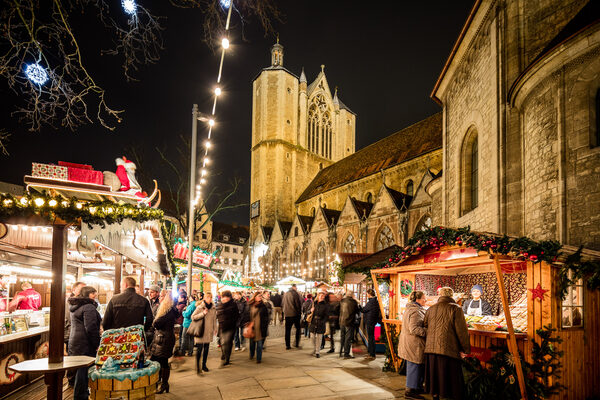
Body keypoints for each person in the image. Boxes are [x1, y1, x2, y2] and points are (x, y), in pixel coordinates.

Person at [424, 287, 471, 400]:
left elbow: (425, 325)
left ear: (440, 295)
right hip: (448, 348)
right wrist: (466, 349)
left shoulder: (431, 309)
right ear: (451, 295)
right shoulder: (456, 309)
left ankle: (435, 395)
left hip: (430, 348)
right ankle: (448, 395)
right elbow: (461, 331)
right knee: (449, 376)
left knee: (434, 373)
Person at [68, 286, 101, 400]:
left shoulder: (75, 306)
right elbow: (91, 327)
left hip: (75, 341)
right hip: (85, 342)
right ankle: (81, 396)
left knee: (80, 370)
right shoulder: (88, 307)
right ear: (87, 294)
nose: (95, 296)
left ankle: (80, 395)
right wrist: (97, 343)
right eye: (93, 293)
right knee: (83, 370)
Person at [398, 290, 427, 399]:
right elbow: (414, 329)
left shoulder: (411, 309)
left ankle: (417, 387)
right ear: (418, 299)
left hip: (411, 342)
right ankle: (410, 391)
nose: (426, 300)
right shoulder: (416, 311)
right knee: (414, 366)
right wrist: (428, 332)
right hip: (414, 343)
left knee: (417, 365)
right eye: (424, 298)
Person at [149, 294, 179, 394]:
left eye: (162, 296)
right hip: (163, 338)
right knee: (159, 360)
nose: (160, 298)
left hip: (164, 339)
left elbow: (156, 323)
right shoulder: (169, 310)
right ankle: (162, 383)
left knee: (161, 361)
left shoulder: (168, 311)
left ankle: (163, 384)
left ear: (167, 299)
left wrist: (154, 320)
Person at [64, 281, 85, 387]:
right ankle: (72, 381)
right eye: (81, 289)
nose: (83, 292)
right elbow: (66, 320)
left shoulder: (81, 302)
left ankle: (76, 381)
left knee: (77, 359)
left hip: (77, 334)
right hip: (70, 334)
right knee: (72, 360)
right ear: (74, 290)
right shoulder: (69, 303)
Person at [191, 292, 217, 374]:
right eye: (208, 297)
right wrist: (203, 314)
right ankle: (198, 366)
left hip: (208, 331)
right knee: (199, 349)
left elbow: (214, 319)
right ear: (205, 298)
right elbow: (193, 317)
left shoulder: (213, 308)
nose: (210, 299)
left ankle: (204, 365)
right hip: (201, 331)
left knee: (206, 349)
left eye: (211, 297)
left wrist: (215, 328)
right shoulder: (200, 307)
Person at [216, 290, 239, 366]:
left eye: (226, 297)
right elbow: (217, 315)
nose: (224, 298)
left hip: (230, 327)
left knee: (227, 342)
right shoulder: (219, 304)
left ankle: (227, 358)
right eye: (223, 297)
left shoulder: (233, 304)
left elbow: (237, 316)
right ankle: (224, 353)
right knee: (222, 342)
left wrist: (234, 323)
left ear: (229, 297)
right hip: (221, 326)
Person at [246, 292, 270, 363]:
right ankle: (252, 354)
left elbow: (266, 317)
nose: (260, 297)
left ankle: (259, 358)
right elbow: (247, 315)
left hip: (260, 327)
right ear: (255, 297)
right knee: (252, 343)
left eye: (261, 296)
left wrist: (265, 325)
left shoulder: (263, 306)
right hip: (252, 327)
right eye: (259, 296)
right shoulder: (250, 305)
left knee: (259, 344)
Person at [362, 288, 381, 360]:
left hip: (370, 322)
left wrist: (359, 306)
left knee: (371, 338)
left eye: (367, 294)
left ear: (369, 294)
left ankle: (372, 354)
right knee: (371, 337)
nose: (367, 295)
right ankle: (371, 353)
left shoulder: (371, 302)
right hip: (373, 321)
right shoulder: (375, 301)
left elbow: (364, 310)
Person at [339, 290, 359, 359]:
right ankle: (346, 353)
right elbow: (357, 310)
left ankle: (340, 351)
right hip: (349, 322)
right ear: (352, 295)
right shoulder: (353, 302)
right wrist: (356, 299)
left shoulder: (342, 301)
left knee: (342, 337)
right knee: (347, 338)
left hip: (341, 321)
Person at [282, 284, 303, 349]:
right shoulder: (295, 293)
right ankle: (296, 343)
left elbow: (282, 303)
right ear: (294, 287)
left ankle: (287, 345)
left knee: (287, 330)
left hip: (287, 314)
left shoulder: (285, 294)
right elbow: (297, 304)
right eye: (296, 287)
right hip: (295, 314)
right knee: (298, 329)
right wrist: (299, 312)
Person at [309, 292, 329, 358]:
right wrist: (310, 311)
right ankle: (315, 348)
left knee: (319, 338)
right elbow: (307, 311)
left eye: (323, 296)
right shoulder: (314, 303)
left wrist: (323, 322)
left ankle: (317, 352)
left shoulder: (325, 305)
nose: (322, 297)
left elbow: (326, 316)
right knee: (312, 337)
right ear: (318, 296)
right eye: (321, 296)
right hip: (313, 322)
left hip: (320, 322)